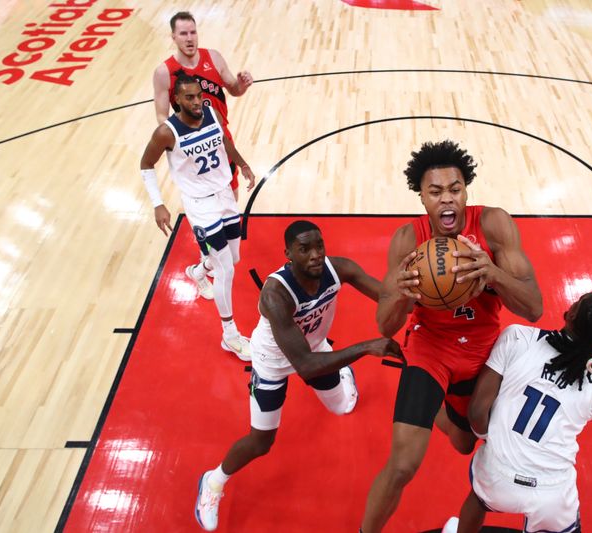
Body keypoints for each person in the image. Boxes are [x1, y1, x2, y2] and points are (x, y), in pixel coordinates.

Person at [361, 140, 544, 531]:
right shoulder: (408, 241)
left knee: (464, 445)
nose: (448, 200)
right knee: (403, 465)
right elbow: (384, 325)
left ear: (466, 190)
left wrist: (492, 273)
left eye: (455, 189)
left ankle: (439, 410)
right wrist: (404, 299)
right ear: (422, 199)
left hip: (482, 350)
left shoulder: (494, 224)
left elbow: (534, 308)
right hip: (431, 350)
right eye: (436, 191)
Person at [194, 220, 404, 532]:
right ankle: (213, 482)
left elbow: (387, 294)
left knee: (342, 407)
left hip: (316, 348)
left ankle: (342, 370)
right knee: (261, 442)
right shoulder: (276, 294)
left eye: (319, 246)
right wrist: (366, 347)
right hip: (274, 362)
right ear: (288, 254)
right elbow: (305, 365)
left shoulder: (339, 269)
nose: (315, 254)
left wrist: (420, 291)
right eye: (304, 249)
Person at [442, 292, 592, 533]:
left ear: (573, 313)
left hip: (497, 475)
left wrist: (491, 438)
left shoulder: (518, 337)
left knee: (479, 499)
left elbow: (477, 411)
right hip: (552, 491)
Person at [140, 74, 256, 361]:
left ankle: (198, 271)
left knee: (234, 258)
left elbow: (223, 142)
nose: (196, 102)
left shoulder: (211, 112)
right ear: (176, 100)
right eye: (189, 97)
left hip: (224, 197)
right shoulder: (166, 133)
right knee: (226, 269)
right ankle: (230, 336)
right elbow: (145, 165)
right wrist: (158, 203)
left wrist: (241, 164)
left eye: (198, 96)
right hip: (200, 207)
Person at [153, 11, 253, 201]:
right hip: (193, 141)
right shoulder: (164, 72)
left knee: (231, 188)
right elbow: (161, 116)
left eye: (193, 32)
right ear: (173, 37)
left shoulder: (214, 57)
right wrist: (181, 141)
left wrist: (242, 85)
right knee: (203, 193)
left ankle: (231, 226)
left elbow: (234, 89)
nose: (189, 39)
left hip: (221, 134)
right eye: (183, 34)